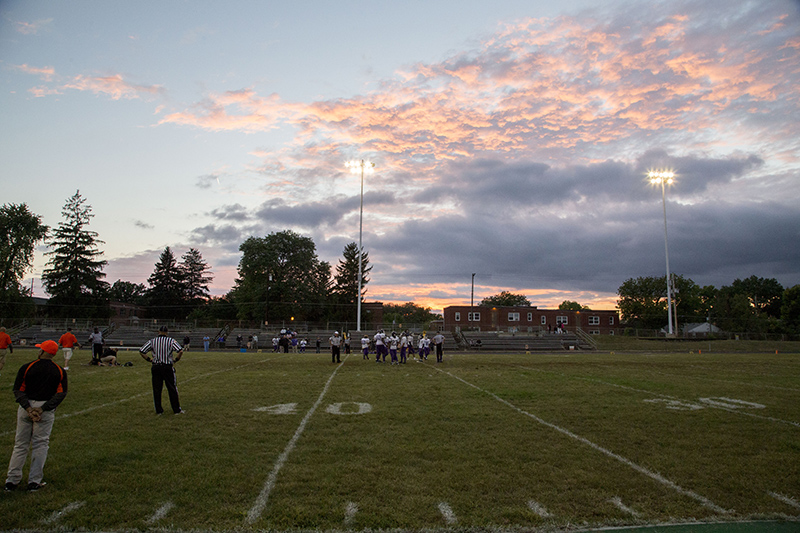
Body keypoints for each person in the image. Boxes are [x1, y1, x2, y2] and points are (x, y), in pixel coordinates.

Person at [5, 340, 68, 492]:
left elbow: (18, 390)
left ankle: (12, 480)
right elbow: (61, 393)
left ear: (41, 352)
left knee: (20, 444)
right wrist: (43, 409)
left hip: (26, 408)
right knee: (40, 444)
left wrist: (27, 408)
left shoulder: (28, 367)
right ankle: (34, 481)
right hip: (44, 410)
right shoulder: (58, 370)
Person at [139, 326, 185, 415]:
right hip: (167, 366)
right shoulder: (171, 341)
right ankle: (176, 409)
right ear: (167, 332)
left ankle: (159, 410)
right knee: (171, 388)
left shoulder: (152, 341)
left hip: (156, 366)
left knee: (157, 389)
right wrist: (176, 360)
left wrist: (149, 359)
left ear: (158, 331)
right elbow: (180, 351)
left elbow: (142, 351)